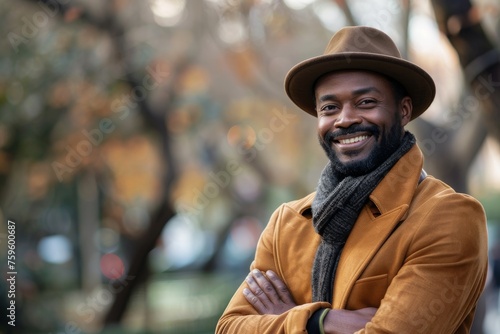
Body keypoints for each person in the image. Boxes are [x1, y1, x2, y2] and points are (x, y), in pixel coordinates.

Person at [215, 26, 488, 333]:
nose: (345, 119)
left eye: (366, 102)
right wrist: (320, 321)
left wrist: (284, 319)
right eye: (329, 108)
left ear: (403, 110)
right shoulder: (286, 224)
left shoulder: (447, 217)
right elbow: (229, 328)